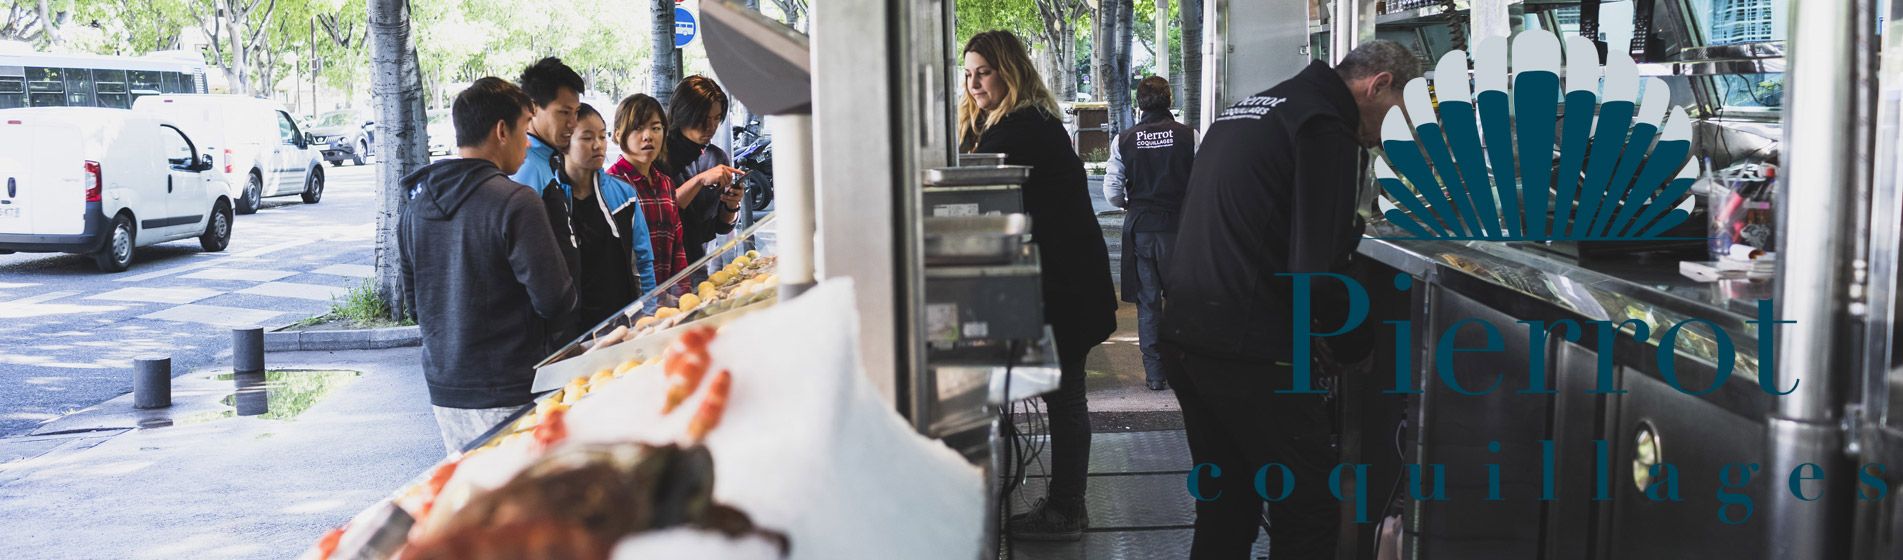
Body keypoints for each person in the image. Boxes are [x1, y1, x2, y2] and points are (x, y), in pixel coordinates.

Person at [1159, 41, 1419, 558]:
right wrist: (1352, 345)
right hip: (1250, 348)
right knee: (1308, 509)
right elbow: (1317, 272)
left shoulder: (1255, 108)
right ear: (1379, 85)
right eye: (1400, 113)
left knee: (1226, 504)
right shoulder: (1325, 129)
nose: (1396, 130)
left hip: (1188, 336)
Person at [958, 30, 1118, 541]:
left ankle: (1068, 510)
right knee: (1065, 397)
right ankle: (1066, 505)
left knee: (1066, 398)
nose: (974, 82)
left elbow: (974, 202)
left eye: (983, 71)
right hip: (1063, 281)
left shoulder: (1018, 128)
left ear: (1010, 70)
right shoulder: (1024, 121)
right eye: (968, 72)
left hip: (1061, 286)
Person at [399, 77, 577, 453]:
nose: (528, 143)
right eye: (524, 129)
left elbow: (416, 306)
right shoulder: (516, 201)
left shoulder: (415, 205)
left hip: (444, 389)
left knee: (471, 493)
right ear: (501, 131)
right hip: (512, 385)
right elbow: (555, 300)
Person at [1102, 76, 1196, 392]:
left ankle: (1156, 374)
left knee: (1148, 302)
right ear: (1169, 99)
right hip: (1179, 229)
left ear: (1138, 102)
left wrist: (1129, 203)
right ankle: (1185, 368)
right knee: (1182, 300)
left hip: (1142, 227)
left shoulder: (1124, 140)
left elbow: (1112, 191)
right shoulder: (1189, 136)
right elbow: (1203, 179)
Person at [557, 102, 660, 331]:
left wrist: (648, 313)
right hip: (574, 329)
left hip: (623, 320)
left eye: (602, 137)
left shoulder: (624, 195)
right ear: (564, 143)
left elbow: (642, 261)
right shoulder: (551, 199)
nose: (598, 145)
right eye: (587, 138)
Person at [659, 75, 748, 277]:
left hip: (702, 262)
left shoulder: (717, 157)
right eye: (703, 118)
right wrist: (699, 181)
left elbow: (722, 227)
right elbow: (663, 211)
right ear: (683, 113)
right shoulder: (659, 154)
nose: (711, 127)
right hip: (664, 264)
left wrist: (732, 204)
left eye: (716, 118)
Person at [607, 94, 690, 289]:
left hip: (667, 300)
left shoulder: (666, 184)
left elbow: (677, 247)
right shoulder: (611, 185)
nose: (648, 136)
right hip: (632, 302)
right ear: (618, 134)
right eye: (638, 128)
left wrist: (684, 293)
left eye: (656, 128)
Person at [508, 57, 586, 196]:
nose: (573, 123)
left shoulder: (549, 158)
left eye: (576, 112)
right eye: (564, 112)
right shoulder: (527, 167)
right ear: (532, 108)